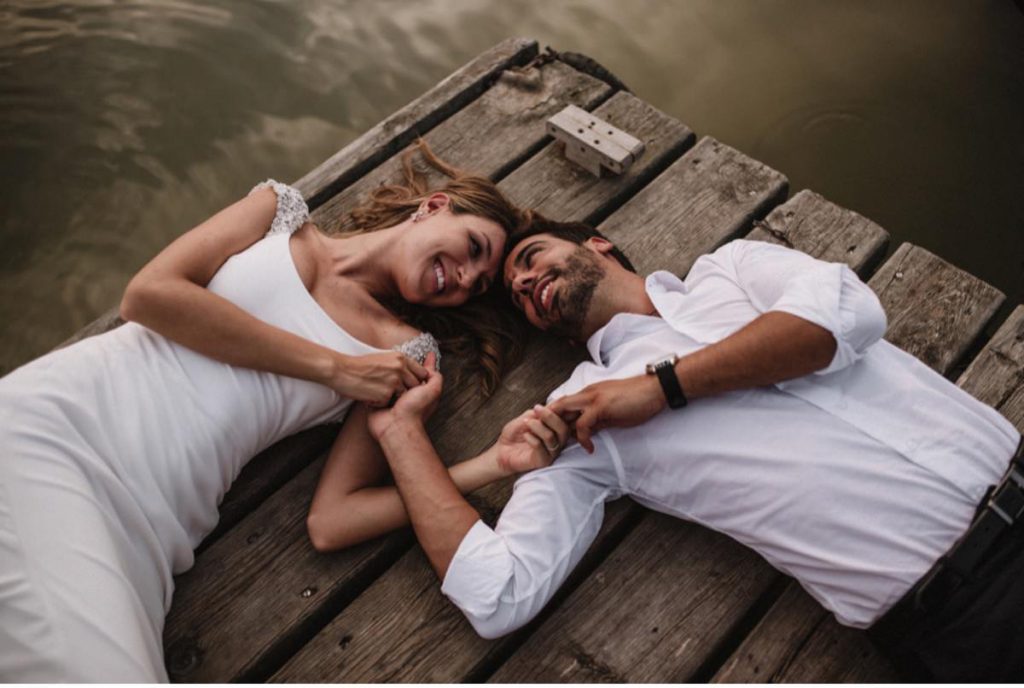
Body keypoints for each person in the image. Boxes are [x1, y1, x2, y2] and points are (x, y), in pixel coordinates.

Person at [364, 217, 1023, 682]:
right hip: (966, 615)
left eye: (532, 256)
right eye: (517, 296)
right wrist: (401, 435)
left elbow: (847, 319)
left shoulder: (732, 271)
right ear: (553, 338)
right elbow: (497, 594)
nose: (525, 283)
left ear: (599, 244)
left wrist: (661, 387)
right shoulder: (581, 414)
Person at [0, 143, 558, 682]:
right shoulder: (278, 213)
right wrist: (334, 369)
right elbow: (148, 296)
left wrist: (490, 465)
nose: (463, 278)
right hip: (61, 423)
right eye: (474, 250)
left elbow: (331, 521)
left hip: (148, 518)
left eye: (476, 286)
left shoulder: (407, 356)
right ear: (435, 207)